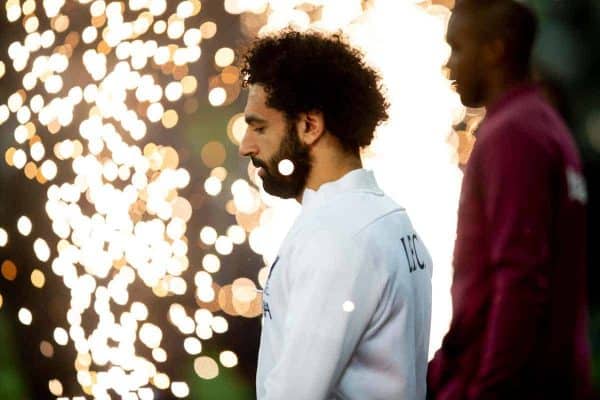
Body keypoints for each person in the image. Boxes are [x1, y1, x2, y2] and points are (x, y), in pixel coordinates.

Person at [238, 30, 433, 400]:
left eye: (259, 127)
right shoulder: (389, 219)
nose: (246, 146)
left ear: (310, 126)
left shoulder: (337, 236)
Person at [428, 1, 592, 399]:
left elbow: (520, 279)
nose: (449, 64)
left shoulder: (511, 135)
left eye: (458, 47)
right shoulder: (547, 125)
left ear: (495, 50)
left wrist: (487, 388)